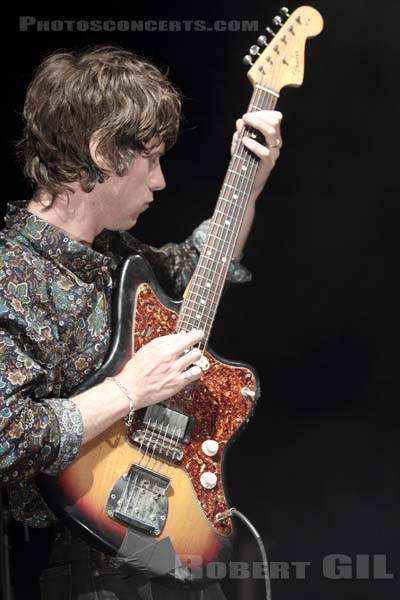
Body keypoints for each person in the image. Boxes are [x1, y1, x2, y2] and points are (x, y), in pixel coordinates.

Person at [0, 45, 283, 599]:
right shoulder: (11, 272)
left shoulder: (117, 256)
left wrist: (248, 181)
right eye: (150, 159)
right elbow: (6, 434)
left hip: (168, 554)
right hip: (71, 572)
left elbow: (204, 264)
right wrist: (129, 390)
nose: (160, 182)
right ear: (102, 151)